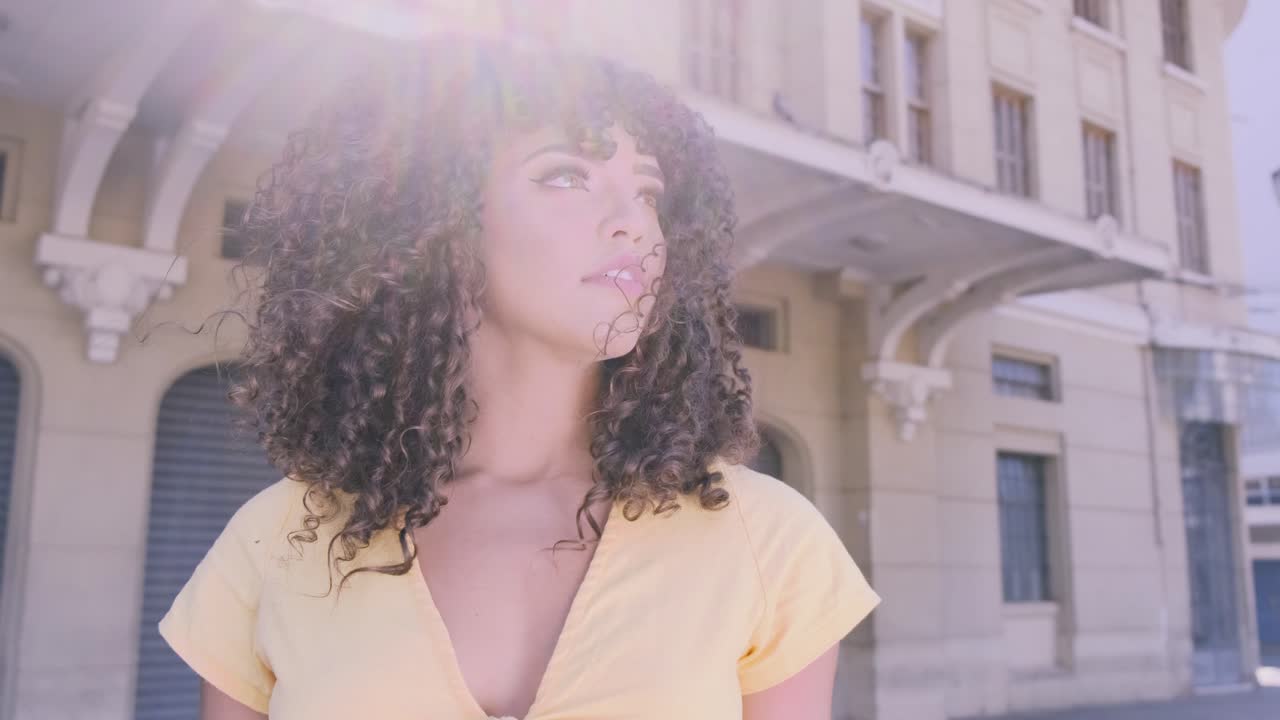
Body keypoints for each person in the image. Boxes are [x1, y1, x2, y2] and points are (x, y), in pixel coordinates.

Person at [159, 36, 880, 720]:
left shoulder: (767, 541)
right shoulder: (275, 541)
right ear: (431, 225)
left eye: (649, 191)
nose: (632, 220)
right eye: (566, 175)